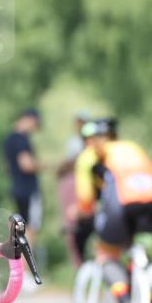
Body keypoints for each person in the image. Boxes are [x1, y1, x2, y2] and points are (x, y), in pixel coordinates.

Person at [76, 117, 152, 303]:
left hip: (124, 203)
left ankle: (124, 300)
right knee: (137, 253)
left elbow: (86, 199)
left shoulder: (88, 156)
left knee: (106, 254)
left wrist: (84, 216)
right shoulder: (131, 147)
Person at [3, 108, 43, 245]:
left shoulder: (9, 139)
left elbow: (7, 167)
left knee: (18, 225)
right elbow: (26, 164)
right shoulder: (21, 139)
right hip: (28, 189)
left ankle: (15, 262)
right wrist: (45, 165)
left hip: (16, 187)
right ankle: (25, 264)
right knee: (31, 227)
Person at [57, 111, 92, 265]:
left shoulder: (88, 143)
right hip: (75, 184)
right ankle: (80, 265)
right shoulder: (76, 142)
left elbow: (72, 162)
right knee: (72, 227)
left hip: (81, 184)